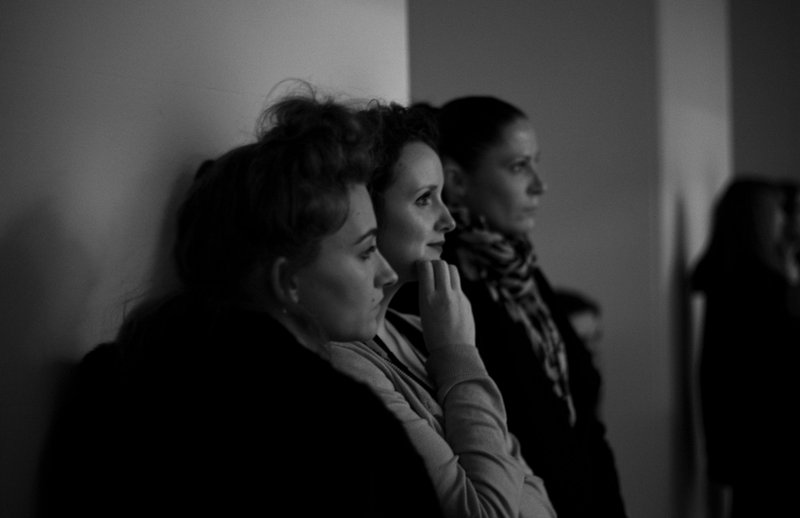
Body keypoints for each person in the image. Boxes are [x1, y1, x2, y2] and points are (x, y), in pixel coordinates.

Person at [37, 92, 444, 517]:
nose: (386, 273)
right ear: (286, 281)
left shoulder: (107, 380)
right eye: (366, 251)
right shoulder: (342, 425)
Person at [390, 95, 627, 518]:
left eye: (536, 163)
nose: (539, 184)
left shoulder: (519, 269)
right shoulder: (432, 282)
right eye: (518, 167)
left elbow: (583, 424)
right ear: (458, 181)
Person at [328, 102, 556, 518]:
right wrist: (458, 354)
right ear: (367, 212)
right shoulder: (351, 361)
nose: (448, 220)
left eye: (441, 196)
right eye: (423, 200)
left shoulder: (418, 326)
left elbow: (531, 485)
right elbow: (486, 510)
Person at [692, 176, 800, 518]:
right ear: (759, 219)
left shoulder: (727, 280)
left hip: (745, 441)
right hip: (770, 440)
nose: (785, 221)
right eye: (779, 211)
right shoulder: (761, 288)